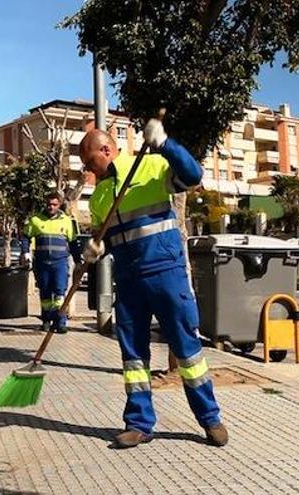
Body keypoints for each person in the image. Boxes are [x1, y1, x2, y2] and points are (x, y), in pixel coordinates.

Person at [79, 120, 228, 449]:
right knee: (133, 359)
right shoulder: (100, 195)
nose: (88, 169)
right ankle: (139, 423)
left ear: (106, 150)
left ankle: (210, 419)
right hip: (128, 282)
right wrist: (96, 248)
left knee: (188, 352)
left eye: (90, 162)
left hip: (166, 273)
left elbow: (192, 176)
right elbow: (108, 237)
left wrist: (165, 144)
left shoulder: (151, 166)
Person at [20, 191, 81, 334]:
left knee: (60, 292)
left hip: (60, 263)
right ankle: (46, 320)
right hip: (42, 263)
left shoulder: (66, 221)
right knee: (45, 292)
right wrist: (26, 252)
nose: (51, 207)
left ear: (59, 205)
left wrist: (78, 261)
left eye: (54, 204)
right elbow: (25, 237)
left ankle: (60, 322)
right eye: (49, 204)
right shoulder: (35, 220)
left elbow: (73, 243)